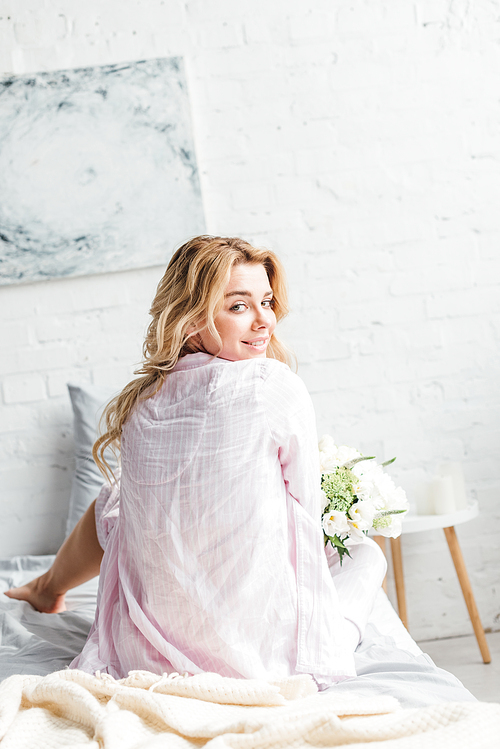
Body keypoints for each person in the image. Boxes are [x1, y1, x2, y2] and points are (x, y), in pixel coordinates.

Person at [5, 235, 386, 687]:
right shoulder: (272, 384)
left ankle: (48, 587)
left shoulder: (142, 402)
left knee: (117, 497)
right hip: (258, 657)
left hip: (144, 653)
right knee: (365, 554)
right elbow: (306, 507)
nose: (265, 320)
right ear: (190, 321)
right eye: (239, 307)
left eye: (266, 301)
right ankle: (49, 588)